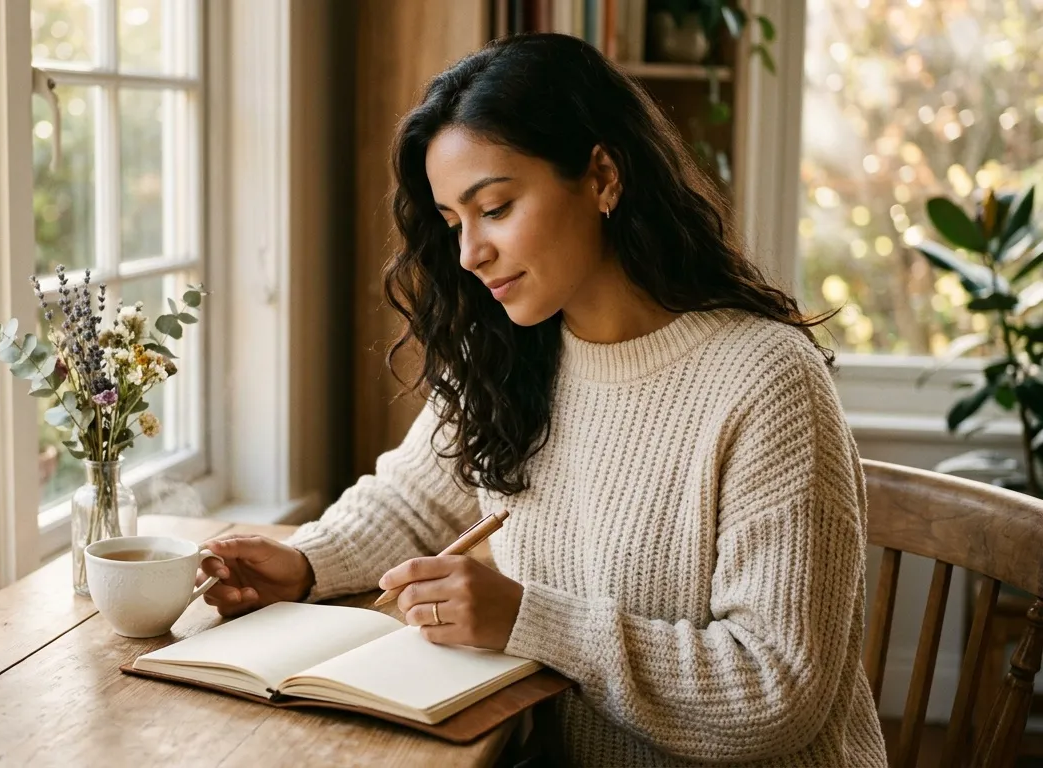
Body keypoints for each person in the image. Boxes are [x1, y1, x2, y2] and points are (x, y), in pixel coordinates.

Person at [197, 32, 886, 765]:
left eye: (494, 207)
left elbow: (772, 692)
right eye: (453, 222)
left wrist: (528, 619)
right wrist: (301, 562)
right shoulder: (513, 351)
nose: (469, 254)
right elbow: (412, 504)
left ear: (602, 177)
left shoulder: (764, 381)